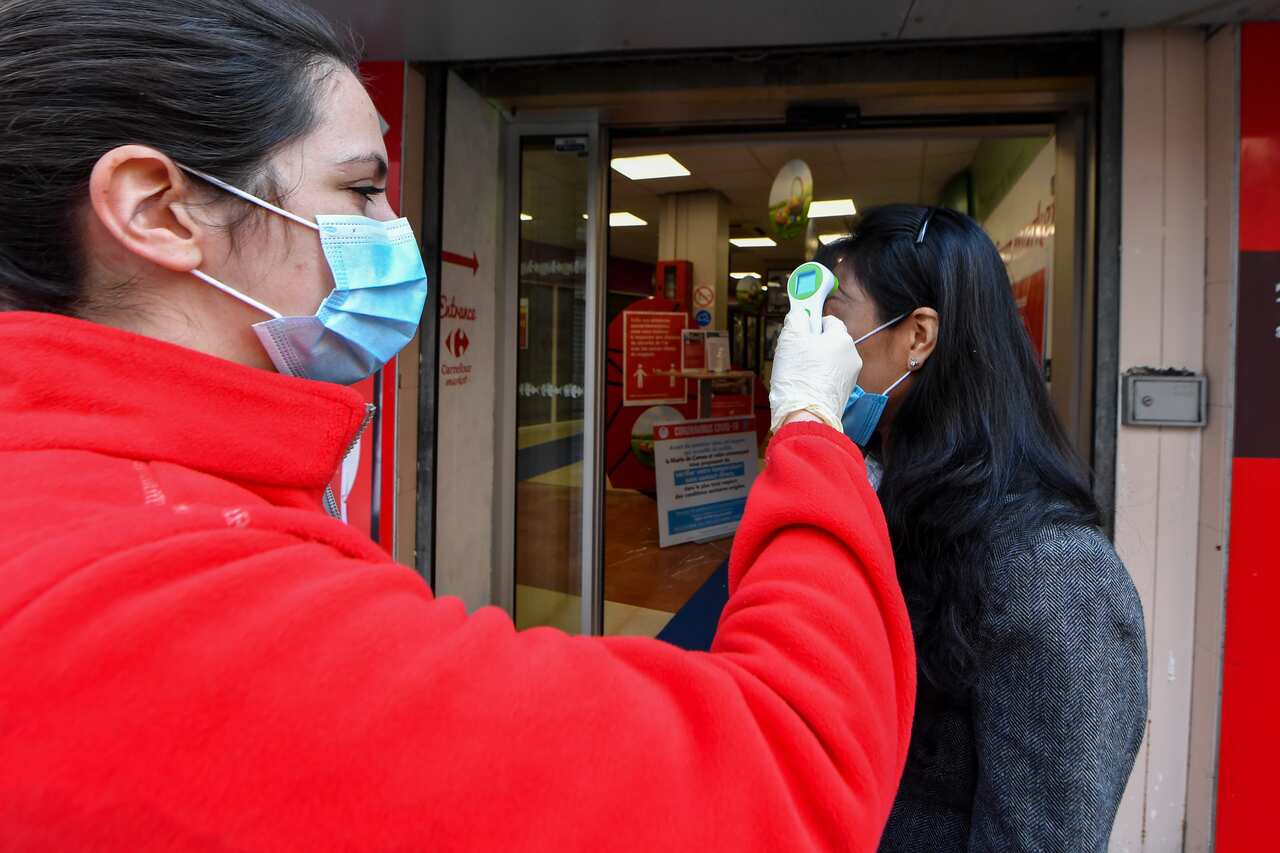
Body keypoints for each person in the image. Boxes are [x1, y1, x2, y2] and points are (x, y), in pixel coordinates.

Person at [0, 1, 916, 849]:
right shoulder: (159, 606)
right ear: (158, 209)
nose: (396, 226)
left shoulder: (121, 493)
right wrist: (812, 424)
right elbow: (789, 773)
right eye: (361, 190)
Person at [813, 205, 1147, 852]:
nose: (807, 345)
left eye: (830, 320)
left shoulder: (1056, 571)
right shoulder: (879, 493)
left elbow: (1043, 836)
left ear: (917, 336)